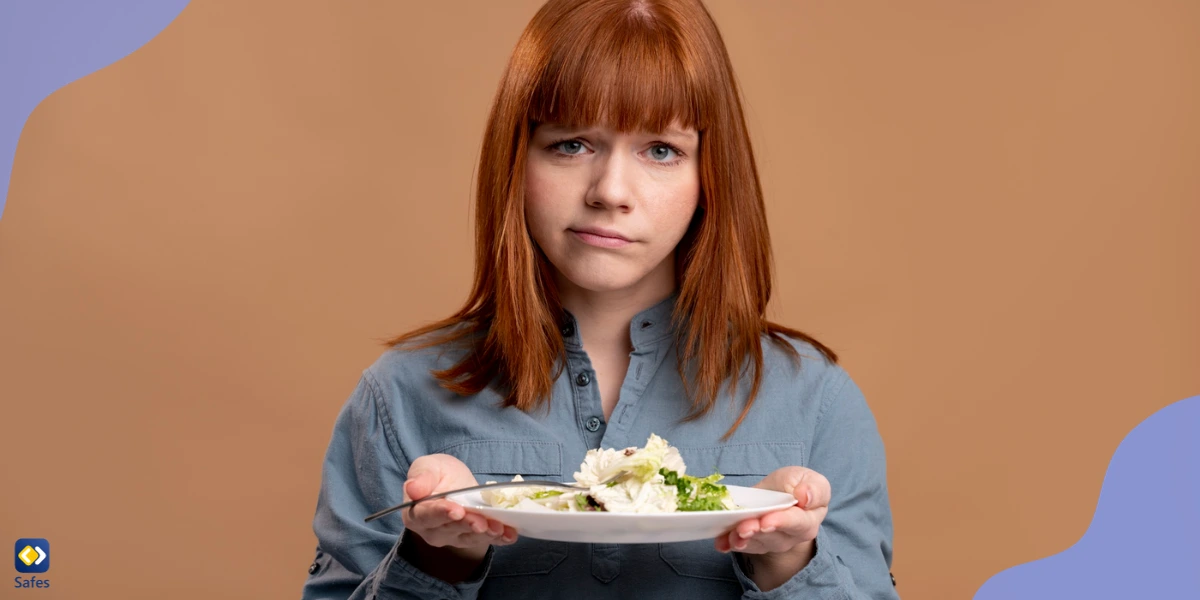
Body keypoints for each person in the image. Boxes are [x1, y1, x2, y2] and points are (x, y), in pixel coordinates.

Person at [300, 0, 897, 598]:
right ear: (518, 159)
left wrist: (789, 561)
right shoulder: (399, 397)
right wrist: (438, 561)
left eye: (661, 150)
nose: (610, 191)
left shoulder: (816, 402)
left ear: (709, 176)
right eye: (572, 144)